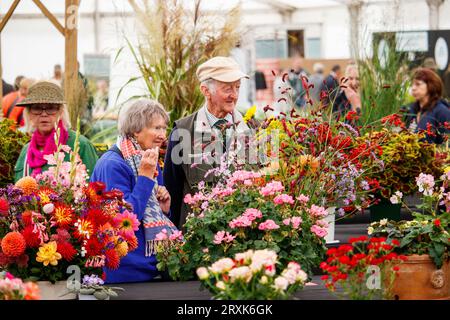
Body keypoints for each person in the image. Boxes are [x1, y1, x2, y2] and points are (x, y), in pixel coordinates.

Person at [90, 99, 177, 283]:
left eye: (164, 128)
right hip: (124, 273)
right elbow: (124, 221)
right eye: (156, 128)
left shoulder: (147, 159)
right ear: (136, 130)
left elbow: (155, 215)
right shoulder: (112, 164)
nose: (162, 135)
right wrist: (145, 177)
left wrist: (164, 208)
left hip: (151, 266)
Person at [164, 56, 253, 229]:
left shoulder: (251, 127)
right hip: (198, 238)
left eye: (237, 87)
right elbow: (172, 189)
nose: (234, 95)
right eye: (227, 88)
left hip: (244, 236)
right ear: (206, 90)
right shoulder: (183, 132)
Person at [14, 81, 98, 181]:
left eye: (50, 108)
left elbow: (95, 189)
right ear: (29, 114)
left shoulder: (80, 145)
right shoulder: (26, 151)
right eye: (36, 108)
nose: (44, 114)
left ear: (61, 112)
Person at [404, 68, 450, 144]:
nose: (413, 88)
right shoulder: (411, 110)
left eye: (418, 84)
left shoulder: (442, 111)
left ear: (430, 85)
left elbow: (447, 145)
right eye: (412, 84)